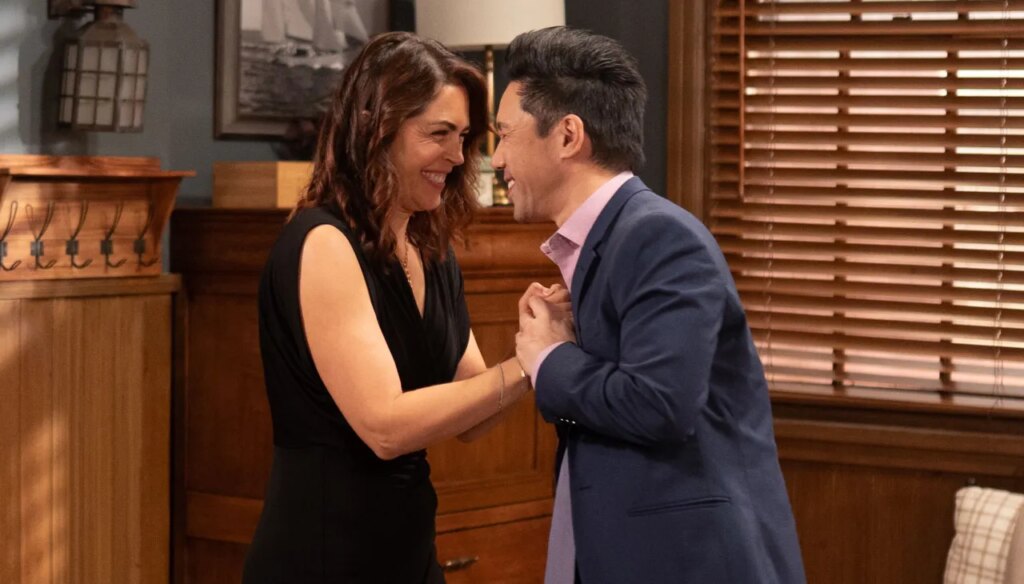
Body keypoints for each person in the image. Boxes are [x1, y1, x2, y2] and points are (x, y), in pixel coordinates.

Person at [494, 27, 807, 583]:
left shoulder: (658, 235)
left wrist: (548, 358)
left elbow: (659, 403)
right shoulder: (614, 236)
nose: (496, 159)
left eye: (503, 135)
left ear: (567, 135)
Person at [242, 31, 536, 583]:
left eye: (463, 137)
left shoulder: (432, 251)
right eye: (438, 134)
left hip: (407, 553)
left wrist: (540, 348)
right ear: (376, 130)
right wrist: (527, 364)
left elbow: (474, 416)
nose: (457, 157)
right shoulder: (324, 243)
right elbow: (385, 429)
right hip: (323, 557)